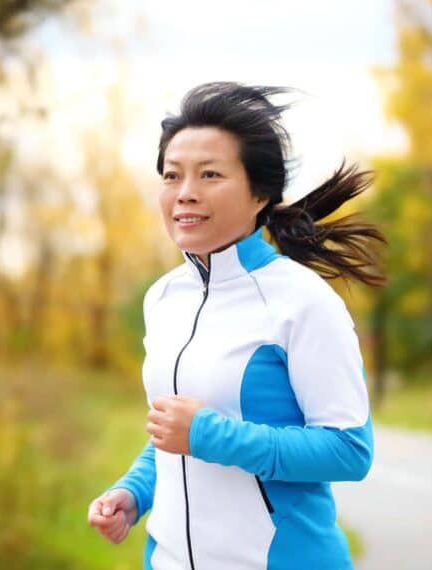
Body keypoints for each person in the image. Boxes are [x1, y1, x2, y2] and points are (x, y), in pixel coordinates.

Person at [86, 82, 387, 569]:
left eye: (210, 174)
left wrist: (209, 436)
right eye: (171, 176)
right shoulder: (163, 298)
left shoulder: (302, 301)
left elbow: (348, 450)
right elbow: (173, 430)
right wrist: (135, 491)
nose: (185, 193)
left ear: (259, 193)